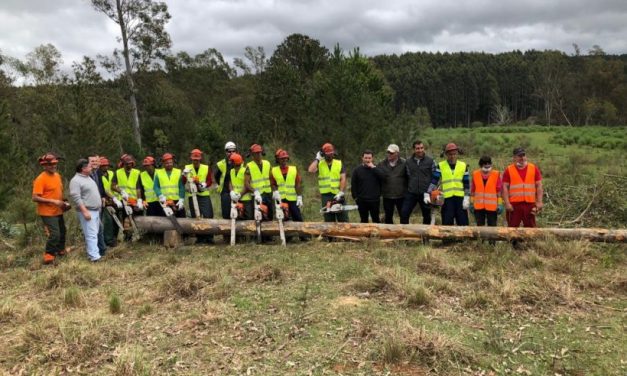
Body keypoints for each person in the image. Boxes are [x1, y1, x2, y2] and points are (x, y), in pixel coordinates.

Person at [32, 152, 70, 265]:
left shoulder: (57, 176)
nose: (53, 166)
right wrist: (53, 201)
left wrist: (63, 200)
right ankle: (49, 256)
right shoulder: (40, 179)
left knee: (63, 231)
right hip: (47, 212)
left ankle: (61, 251)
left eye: (55, 164)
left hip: (58, 210)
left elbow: (56, 192)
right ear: (44, 165)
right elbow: (34, 197)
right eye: (50, 165)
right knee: (55, 234)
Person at [427, 143, 470, 226]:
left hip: (460, 199)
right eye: (450, 154)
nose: (452, 156)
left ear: (457, 153)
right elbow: (434, 180)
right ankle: (448, 239)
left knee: (463, 222)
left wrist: (467, 197)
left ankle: (464, 239)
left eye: (454, 154)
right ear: (446, 154)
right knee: (447, 222)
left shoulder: (463, 165)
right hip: (447, 199)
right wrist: (427, 192)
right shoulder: (441, 165)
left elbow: (466, 183)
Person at [69, 159, 103, 262]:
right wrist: (84, 211)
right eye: (89, 166)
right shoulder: (75, 181)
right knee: (91, 234)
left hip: (95, 210)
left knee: (95, 233)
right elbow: (76, 197)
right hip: (88, 211)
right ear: (83, 169)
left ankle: (92, 254)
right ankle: (94, 257)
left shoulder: (88, 178)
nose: (91, 167)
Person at [502, 147, 543, 228]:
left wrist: (539, 202)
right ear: (514, 157)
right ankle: (513, 241)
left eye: (523, 155)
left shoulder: (533, 168)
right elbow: (504, 187)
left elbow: (539, 186)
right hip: (514, 205)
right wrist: (507, 203)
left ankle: (531, 241)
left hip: (529, 204)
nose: (522, 157)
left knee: (531, 229)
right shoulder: (509, 170)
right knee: (512, 229)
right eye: (519, 156)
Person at [308, 142, 348, 222]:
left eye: (331, 153)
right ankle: (330, 234)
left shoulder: (338, 163)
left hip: (337, 194)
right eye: (328, 154)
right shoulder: (320, 163)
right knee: (329, 219)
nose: (330, 155)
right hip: (325, 196)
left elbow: (343, 178)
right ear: (323, 154)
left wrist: (341, 192)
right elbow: (310, 170)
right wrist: (317, 159)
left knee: (342, 217)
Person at [183, 149, 214, 244]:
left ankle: (209, 237)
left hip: (204, 194)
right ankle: (200, 238)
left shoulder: (206, 167)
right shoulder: (187, 168)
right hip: (192, 195)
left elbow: (209, 181)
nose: (195, 161)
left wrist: (205, 184)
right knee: (195, 216)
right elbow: (183, 182)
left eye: (197, 160)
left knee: (208, 215)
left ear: (200, 159)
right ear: (191, 159)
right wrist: (184, 175)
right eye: (194, 160)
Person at [400, 140, 435, 224]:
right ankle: (405, 234)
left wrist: (430, 191)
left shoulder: (430, 161)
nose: (420, 150)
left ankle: (425, 236)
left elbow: (435, 178)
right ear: (414, 150)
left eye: (421, 148)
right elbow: (406, 176)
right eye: (417, 148)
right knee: (404, 213)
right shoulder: (408, 162)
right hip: (411, 192)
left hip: (425, 193)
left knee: (426, 216)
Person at [111, 154, 142, 240]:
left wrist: (139, 200)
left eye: (130, 163)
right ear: (123, 164)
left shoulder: (137, 172)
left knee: (137, 218)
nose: (128, 165)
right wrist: (121, 191)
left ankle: (140, 236)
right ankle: (127, 237)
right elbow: (112, 186)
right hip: (123, 200)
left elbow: (138, 187)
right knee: (126, 219)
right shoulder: (118, 172)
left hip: (134, 200)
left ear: (133, 163)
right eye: (126, 164)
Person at [270, 149, 304, 222]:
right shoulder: (274, 170)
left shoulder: (293, 169)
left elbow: (297, 184)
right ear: (278, 160)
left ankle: (301, 232)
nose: (284, 160)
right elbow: (273, 184)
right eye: (282, 159)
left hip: (292, 199)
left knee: (297, 217)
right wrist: (275, 192)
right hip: (280, 198)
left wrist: (299, 197)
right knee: (282, 219)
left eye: (285, 158)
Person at [351, 150, 384, 223]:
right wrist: (356, 198)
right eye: (366, 158)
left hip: (374, 200)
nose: (367, 160)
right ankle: (364, 234)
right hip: (362, 200)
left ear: (372, 159)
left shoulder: (376, 169)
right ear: (362, 158)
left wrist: (373, 167)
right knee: (363, 220)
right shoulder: (357, 170)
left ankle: (377, 234)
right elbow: (353, 185)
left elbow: (383, 177)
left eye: (369, 158)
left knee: (376, 219)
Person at [377, 144, 407, 224]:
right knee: (388, 217)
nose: (389, 154)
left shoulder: (404, 163)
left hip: (401, 195)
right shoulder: (381, 164)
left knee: (403, 216)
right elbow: (377, 178)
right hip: (387, 195)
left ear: (397, 153)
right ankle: (389, 234)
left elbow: (409, 177)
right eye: (388, 152)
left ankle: (404, 234)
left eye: (391, 153)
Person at [470, 156, 503, 228]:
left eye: (489, 164)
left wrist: (500, 204)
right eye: (485, 164)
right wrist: (472, 203)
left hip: (492, 207)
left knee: (492, 227)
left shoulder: (496, 174)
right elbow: (473, 190)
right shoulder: (475, 174)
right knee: (480, 227)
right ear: (481, 165)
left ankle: (492, 240)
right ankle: (481, 239)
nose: (487, 166)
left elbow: (499, 191)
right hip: (478, 207)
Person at [245, 144, 274, 222]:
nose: (259, 155)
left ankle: (269, 233)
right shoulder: (249, 166)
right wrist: (255, 191)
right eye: (256, 153)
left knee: (269, 215)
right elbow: (246, 183)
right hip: (257, 195)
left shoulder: (267, 163)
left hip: (268, 193)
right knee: (259, 217)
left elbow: (272, 178)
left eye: (260, 152)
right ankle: (259, 233)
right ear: (252, 154)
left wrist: (275, 191)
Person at [154, 153, 186, 218]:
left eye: (170, 162)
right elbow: (156, 186)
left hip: (176, 201)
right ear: (163, 164)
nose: (169, 164)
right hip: (164, 201)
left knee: (181, 218)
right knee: (164, 221)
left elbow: (181, 187)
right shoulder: (158, 173)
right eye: (167, 163)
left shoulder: (178, 172)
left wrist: (181, 199)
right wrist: (160, 195)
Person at [88, 154, 107, 255]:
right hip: (90, 205)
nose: (94, 163)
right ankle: (100, 249)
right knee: (95, 228)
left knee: (99, 226)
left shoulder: (98, 173)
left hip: (99, 203)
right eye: (92, 161)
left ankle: (100, 249)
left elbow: (101, 186)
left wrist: (103, 197)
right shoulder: (86, 174)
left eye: (96, 161)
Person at [99, 157, 119, 247]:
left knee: (117, 221)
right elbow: (104, 190)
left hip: (115, 200)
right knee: (108, 221)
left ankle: (115, 237)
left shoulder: (111, 173)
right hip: (105, 201)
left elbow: (115, 185)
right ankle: (109, 240)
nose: (105, 167)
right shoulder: (98, 176)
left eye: (106, 165)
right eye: (103, 165)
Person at [215, 141, 237, 220]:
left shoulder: (239, 162)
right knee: (226, 213)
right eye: (229, 151)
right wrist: (220, 184)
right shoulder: (221, 163)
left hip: (237, 190)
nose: (231, 153)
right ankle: (226, 231)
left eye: (233, 151)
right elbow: (216, 176)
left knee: (237, 212)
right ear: (225, 152)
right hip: (225, 191)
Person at [228, 152, 253, 219]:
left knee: (248, 218)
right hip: (235, 199)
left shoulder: (245, 170)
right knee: (236, 218)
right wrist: (231, 192)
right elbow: (230, 182)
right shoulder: (231, 171)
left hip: (246, 199)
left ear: (235, 162)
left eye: (232, 161)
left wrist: (239, 195)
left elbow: (247, 185)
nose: (230, 163)